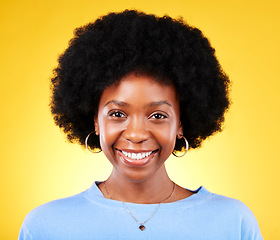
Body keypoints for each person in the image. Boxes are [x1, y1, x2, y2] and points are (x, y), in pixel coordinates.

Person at [18, 10, 263, 239]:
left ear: (181, 123)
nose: (136, 134)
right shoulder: (45, 226)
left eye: (157, 115)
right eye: (117, 113)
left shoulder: (233, 222)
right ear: (95, 121)